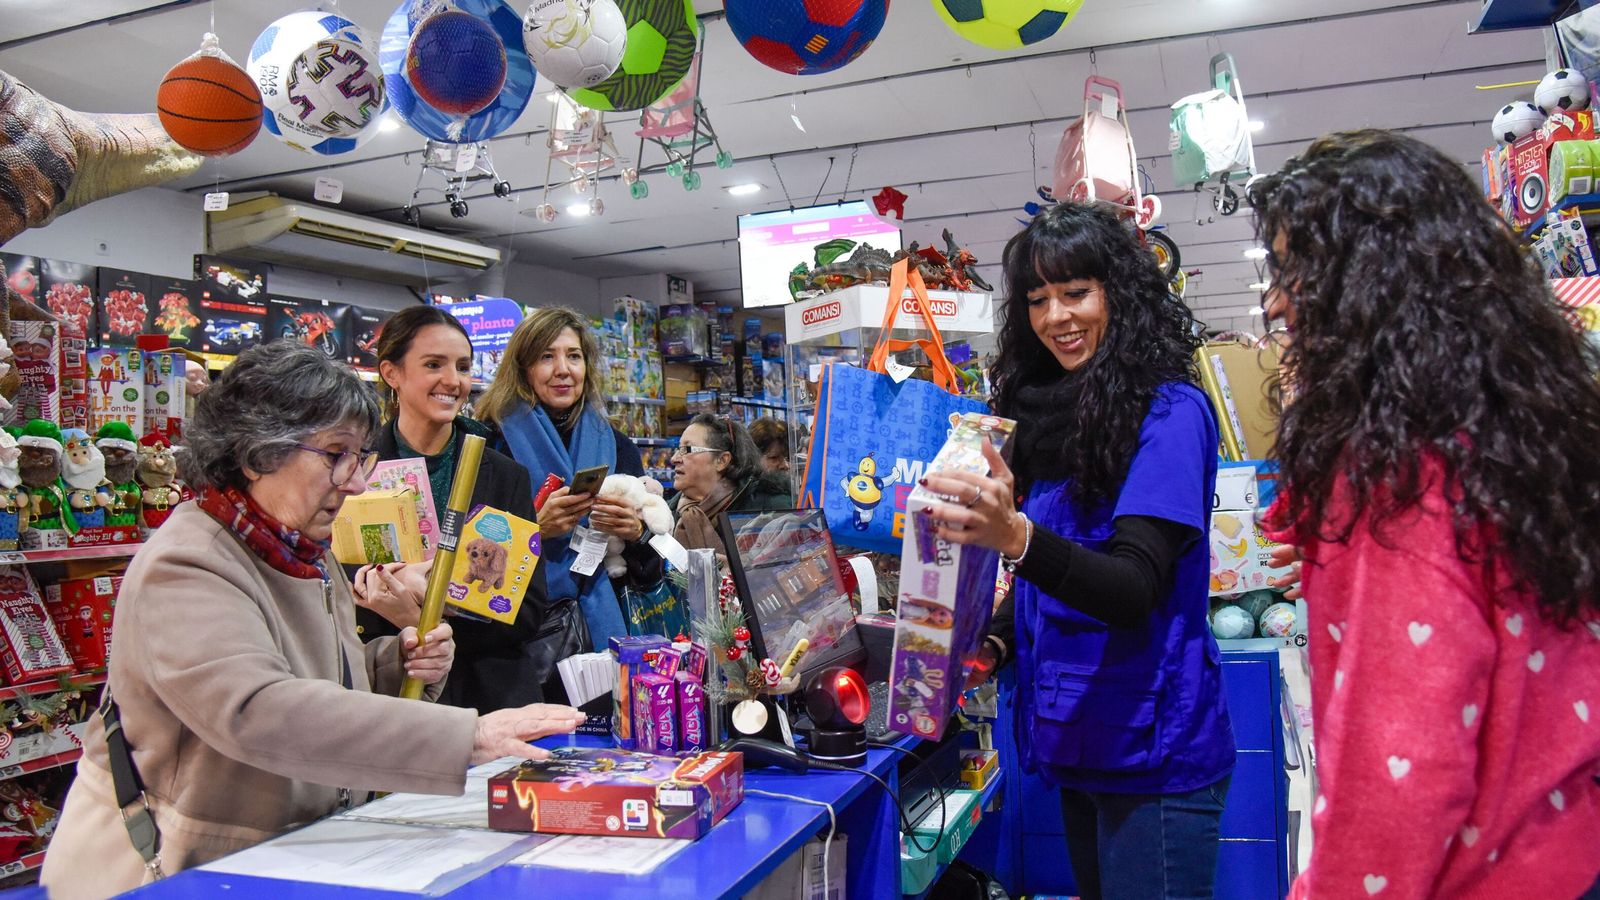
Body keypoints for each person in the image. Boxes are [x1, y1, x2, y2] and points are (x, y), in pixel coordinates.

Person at [40, 343, 585, 898]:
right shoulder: (186, 564)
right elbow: (257, 709)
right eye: (335, 455)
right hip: (181, 867)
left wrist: (393, 662)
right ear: (258, 453)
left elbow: (320, 678)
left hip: (280, 856)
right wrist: (467, 736)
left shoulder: (301, 548)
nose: (354, 482)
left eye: (361, 457)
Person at [1248, 130, 1600, 900]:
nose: (1275, 301)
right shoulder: (1514, 430)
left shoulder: (1393, 476)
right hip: (1564, 842)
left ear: (1371, 283)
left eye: (1295, 272)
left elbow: (1400, 763)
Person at [944, 202, 1234, 900]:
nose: (1056, 318)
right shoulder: (1044, 415)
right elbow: (1051, 579)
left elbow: (1133, 585)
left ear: (1119, 293)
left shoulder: (1169, 410)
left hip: (1155, 747)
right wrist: (994, 641)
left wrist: (1016, 537)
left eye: (1076, 292)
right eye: (1038, 299)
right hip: (1075, 734)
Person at [355, 304, 554, 712]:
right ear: (391, 373)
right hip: (388, 696)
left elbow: (528, 609)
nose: (453, 381)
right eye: (433, 364)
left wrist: (438, 613)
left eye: (462, 367)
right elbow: (340, 593)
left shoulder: (503, 475)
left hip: (489, 696)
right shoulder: (355, 470)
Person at [475, 306, 658, 651]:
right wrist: (537, 529)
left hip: (610, 625)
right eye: (546, 357)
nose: (563, 370)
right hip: (521, 638)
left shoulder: (617, 446)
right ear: (522, 369)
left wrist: (636, 534)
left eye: (573, 356)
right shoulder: (491, 443)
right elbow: (471, 562)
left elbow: (652, 567)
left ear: (587, 367)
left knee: (605, 708)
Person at [668, 412, 792, 557]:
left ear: (721, 460)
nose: (674, 458)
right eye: (678, 449)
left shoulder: (769, 508)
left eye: (687, 449)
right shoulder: (668, 514)